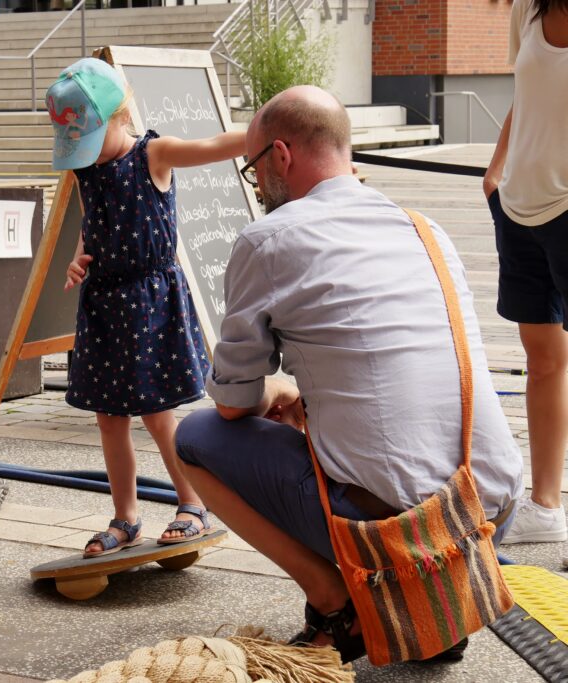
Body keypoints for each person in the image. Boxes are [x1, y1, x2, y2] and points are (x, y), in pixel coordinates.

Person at [174, 86, 523, 662]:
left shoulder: (269, 240)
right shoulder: (425, 228)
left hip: (406, 530)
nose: (257, 185)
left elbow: (233, 404)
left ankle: (337, 603)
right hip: (490, 510)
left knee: (196, 439)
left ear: (281, 156)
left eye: (254, 168)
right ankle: (427, 610)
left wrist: (281, 394)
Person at [47, 58, 247, 557]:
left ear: (121, 116)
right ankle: (126, 517)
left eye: (92, 141)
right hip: (103, 302)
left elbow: (214, 146)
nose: (87, 157)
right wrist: (77, 260)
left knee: (159, 414)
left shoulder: (153, 154)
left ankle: (193, 503)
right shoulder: (85, 171)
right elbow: (92, 224)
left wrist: (271, 132)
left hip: (148, 300)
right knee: (108, 418)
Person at [482, 0, 568, 544]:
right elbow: (525, 95)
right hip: (520, 207)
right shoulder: (529, 11)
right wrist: (495, 171)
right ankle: (546, 507)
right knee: (543, 363)